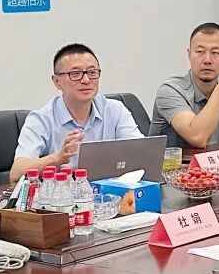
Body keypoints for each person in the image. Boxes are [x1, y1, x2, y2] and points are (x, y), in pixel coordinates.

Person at [10, 44, 143, 183]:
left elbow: (142, 153)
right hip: (63, 194)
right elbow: (16, 173)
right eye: (75, 74)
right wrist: (57, 158)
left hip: (110, 192)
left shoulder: (115, 110)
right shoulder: (41, 119)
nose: (86, 80)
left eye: (92, 72)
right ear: (57, 82)